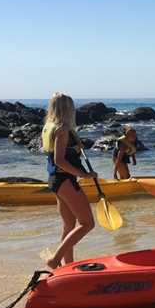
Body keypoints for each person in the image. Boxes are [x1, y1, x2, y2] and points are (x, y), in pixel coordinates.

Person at [41, 93, 96, 269]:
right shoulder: (62, 129)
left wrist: (76, 147)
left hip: (55, 180)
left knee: (69, 224)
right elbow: (60, 161)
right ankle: (55, 259)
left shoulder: (50, 126)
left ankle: (67, 265)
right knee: (87, 223)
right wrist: (84, 174)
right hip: (65, 180)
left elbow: (58, 156)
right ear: (67, 109)